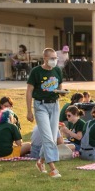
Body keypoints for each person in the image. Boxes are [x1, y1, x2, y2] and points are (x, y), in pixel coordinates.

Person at [25, 47, 68, 178]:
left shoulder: (57, 70)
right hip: (40, 105)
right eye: (52, 58)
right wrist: (29, 111)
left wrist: (62, 92)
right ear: (45, 59)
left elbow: (59, 86)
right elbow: (29, 91)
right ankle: (53, 168)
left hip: (54, 105)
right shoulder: (36, 72)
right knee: (47, 136)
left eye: (56, 58)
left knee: (53, 137)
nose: (54, 61)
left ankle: (41, 161)